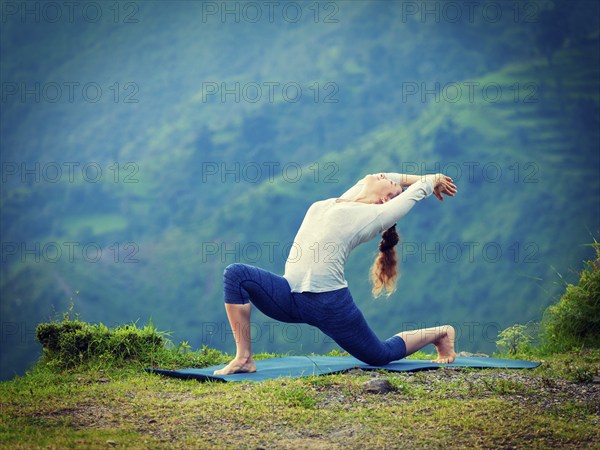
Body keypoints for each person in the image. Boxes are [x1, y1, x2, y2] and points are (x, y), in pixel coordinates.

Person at [214, 171, 458, 375]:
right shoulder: (341, 201)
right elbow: (390, 177)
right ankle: (244, 358)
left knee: (379, 355)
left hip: (329, 304)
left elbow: (412, 196)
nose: (386, 175)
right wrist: (417, 177)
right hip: (289, 295)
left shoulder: (374, 215)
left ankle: (441, 334)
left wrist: (431, 179)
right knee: (236, 275)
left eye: (391, 183)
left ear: (385, 200)